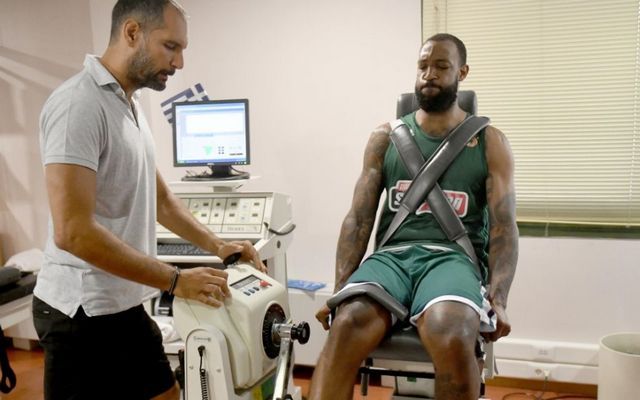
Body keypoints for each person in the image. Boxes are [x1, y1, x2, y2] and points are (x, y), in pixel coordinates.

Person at [33, 1, 265, 399]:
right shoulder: (78, 105)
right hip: (80, 313)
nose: (179, 62)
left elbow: (162, 200)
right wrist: (176, 280)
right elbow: (72, 232)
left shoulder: (128, 106)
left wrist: (219, 246)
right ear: (132, 32)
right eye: (171, 46)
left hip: (124, 303)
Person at [309, 33, 518, 400]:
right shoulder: (385, 138)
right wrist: (341, 287)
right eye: (423, 66)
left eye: (441, 66)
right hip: (391, 259)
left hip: (452, 260)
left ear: (462, 73)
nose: (429, 74)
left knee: (451, 332)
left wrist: (498, 298)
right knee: (347, 324)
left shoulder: (490, 142)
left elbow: (504, 226)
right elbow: (359, 218)